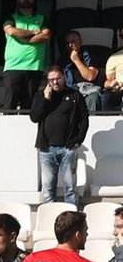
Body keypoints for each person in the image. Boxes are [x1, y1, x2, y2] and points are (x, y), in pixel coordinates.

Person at [31, 64, 87, 205]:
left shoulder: (74, 95)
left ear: (64, 77)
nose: (55, 82)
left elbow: (84, 120)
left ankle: (72, 220)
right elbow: (34, 117)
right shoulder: (41, 95)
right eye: (51, 80)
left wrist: (77, 142)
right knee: (48, 189)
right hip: (46, 149)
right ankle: (49, 220)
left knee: (70, 188)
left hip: (68, 148)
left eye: (58, 78)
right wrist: (46, 99)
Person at [1, 0, 50, 110]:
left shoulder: (42, 17)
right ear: (17, 0)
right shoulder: (10, 17)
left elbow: (46, 36)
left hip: (34, 67)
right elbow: (11, 31)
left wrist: (22, 37)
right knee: (9, 107)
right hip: (13, 66)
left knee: (29, 107)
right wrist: (33, 32)